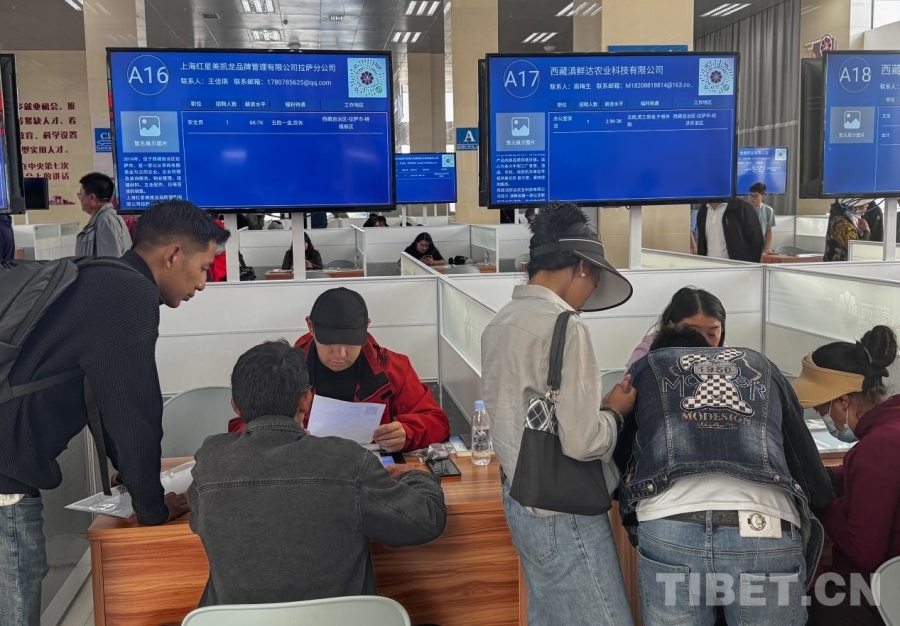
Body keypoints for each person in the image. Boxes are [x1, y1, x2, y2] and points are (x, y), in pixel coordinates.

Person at [0, 200, 230, 625]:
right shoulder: (129, 294)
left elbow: (105, 399)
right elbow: (134, 412)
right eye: (203, 268)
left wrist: (131, 477)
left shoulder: (99, 276)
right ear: (173, 255)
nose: (203, 283)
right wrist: (153, 508)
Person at [190, 340, 446, 607]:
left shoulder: (210, 461)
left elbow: (201, 518)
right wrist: (416, 475)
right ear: (306, 400)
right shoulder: (349, 461)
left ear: (235, 406)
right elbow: (425, 521)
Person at [481, 203, 637, 626]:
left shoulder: (500, 323)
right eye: (594, 281)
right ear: (582, 266)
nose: (589, 296)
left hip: (521, 498)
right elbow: (583, 441)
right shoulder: (565, 326)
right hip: (564, 511)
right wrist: (614, 412)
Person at [618, 325, 833, 626]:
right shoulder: (763, 366)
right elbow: (808, 469)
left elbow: (621, 458)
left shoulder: (647, 368)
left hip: (670, 522)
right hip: (764, 522)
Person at [227, 288, 450, 452]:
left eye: (351, 342)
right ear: (311, 326)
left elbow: (437, 422)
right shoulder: (282, 370)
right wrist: (279, 436)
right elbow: (241, 427)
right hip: (300, 470)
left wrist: (407, 433)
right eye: (330, 342)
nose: (341, 354)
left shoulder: (393, 369)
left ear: (366, 326)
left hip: (369, 473)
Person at [792, 326, 900, 626]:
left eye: (822, 411)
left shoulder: (879, 446)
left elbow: (863, 552)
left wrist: (823, 499)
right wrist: (830, 475)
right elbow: (875, 480)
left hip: (879, 593)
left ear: (844, 401)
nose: (823, 419)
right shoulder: (892, 426)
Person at [625, 287, 726, 369]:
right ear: (671, 326)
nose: (703, 343)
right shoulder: (645, 356)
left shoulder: (727, 356)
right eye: (693, 333)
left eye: (712, 334)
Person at [75, 173, 132, 257]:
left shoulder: (105, 220)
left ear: (92, 197)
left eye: (81, 193)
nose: (79, 198)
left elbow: (109, 262)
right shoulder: (103, 218)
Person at [695, 198, 764, 262]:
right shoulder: (703, 210)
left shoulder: (743, 207)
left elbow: (756, 240)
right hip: (709, 265)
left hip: (735, 266)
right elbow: (701, 242)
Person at [749, 182, 776, 255]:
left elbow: (769, 231)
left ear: (763, 197)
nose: (752, 198)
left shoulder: (768, 210)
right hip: (746, 247)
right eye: (751, 195)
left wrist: (767, 248)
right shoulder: (744, 209)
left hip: (760, 248)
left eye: (755, 196)